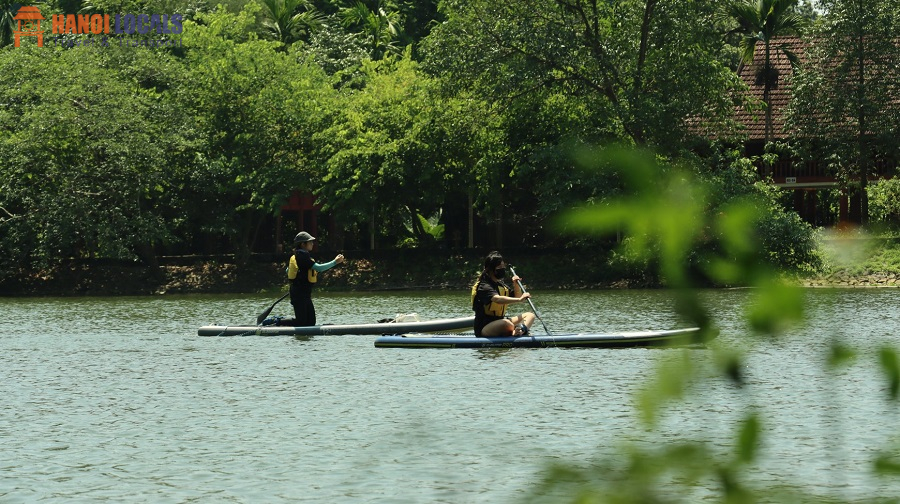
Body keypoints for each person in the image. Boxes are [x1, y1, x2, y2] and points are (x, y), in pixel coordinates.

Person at [471, 251, 536, 337]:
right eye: (499, 267)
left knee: (530, 315)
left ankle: (520, 330)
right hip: (485, 327)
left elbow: (517, 296)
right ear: (491, 269)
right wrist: (519, 300)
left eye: (503, 266)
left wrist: (516, 284)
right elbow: (497, 299)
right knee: (506, 323)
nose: (502, 268)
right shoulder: (484, 286)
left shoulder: (501, 285)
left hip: (501, 321)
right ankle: (515, 332)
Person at [288, 231, 344, 326]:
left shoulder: (299, 255)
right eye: (310, 242)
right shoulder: (302, 256)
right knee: (301, 322)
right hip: (299, 294)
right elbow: (319, 268)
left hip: (304, 293)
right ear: (303, 244)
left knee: (310, 322)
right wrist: (335, 262)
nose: (312, 244)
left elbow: (287, 270)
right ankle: (277, 322)